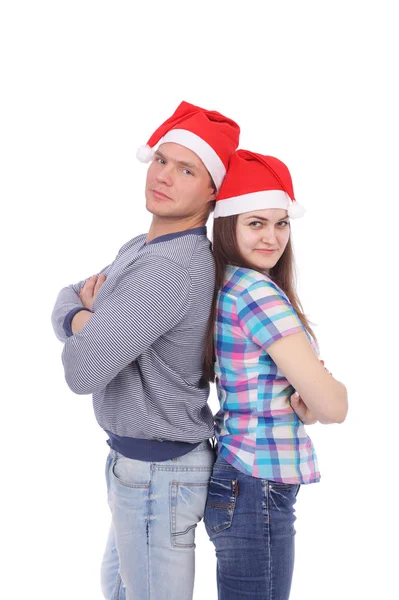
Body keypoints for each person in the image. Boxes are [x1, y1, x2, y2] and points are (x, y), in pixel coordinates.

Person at [51, 101, 240, 600]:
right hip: (137, 465)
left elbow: (83, 370)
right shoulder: (142, 246)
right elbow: (67, 295)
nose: (164, 177)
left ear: (212, 190)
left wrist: (90, 325)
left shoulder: (170, 267)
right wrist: (82, 318)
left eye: (186, 169)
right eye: (160, 160)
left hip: (159, 472)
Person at [202, 149, 348, 600]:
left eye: (281, 223)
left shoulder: (227, 282)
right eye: (255, 223)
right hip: (256, 480)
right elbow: (334, 407)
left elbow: (310, 402)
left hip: (244, 475)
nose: (272, 237)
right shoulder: (257, 293)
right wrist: (321, 398)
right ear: (228, 225)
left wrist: (311, 401)